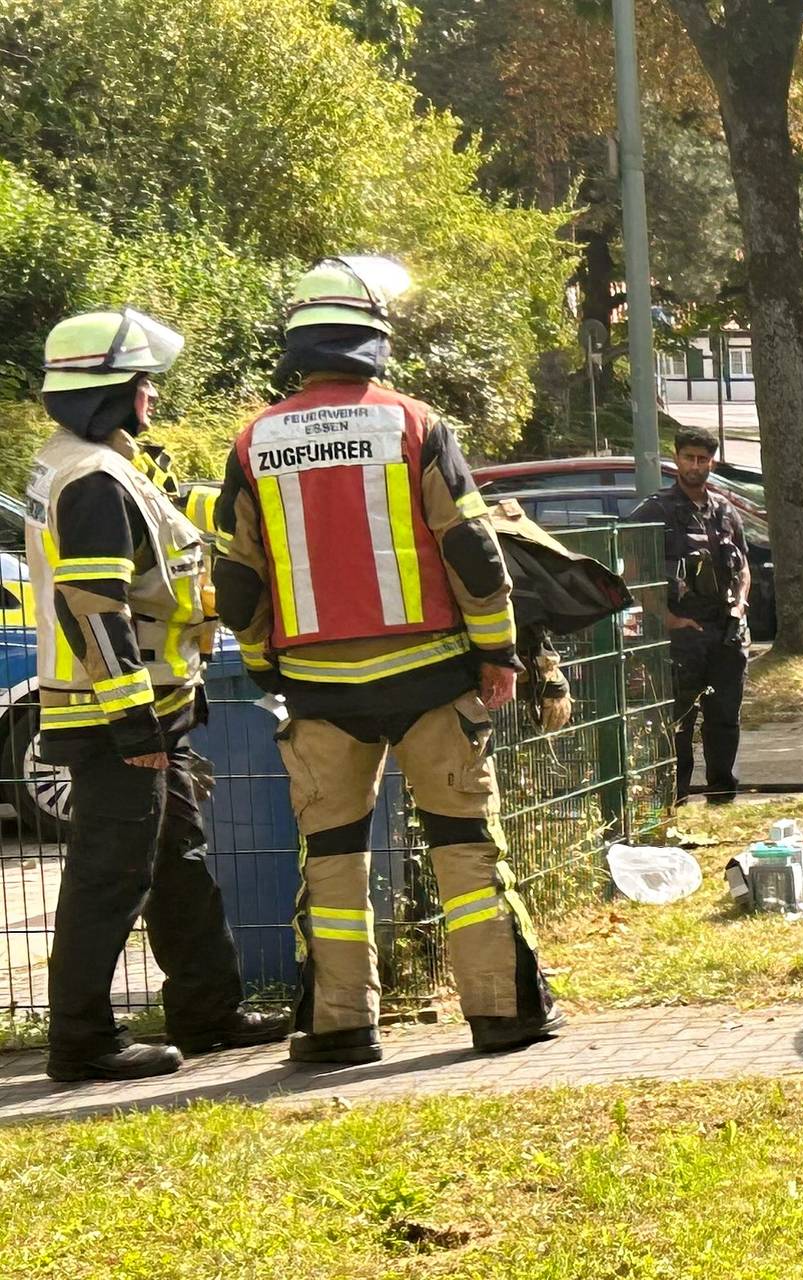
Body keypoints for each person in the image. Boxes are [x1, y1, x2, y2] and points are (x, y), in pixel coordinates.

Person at [216, 255, 561, 1065]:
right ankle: (502, 1013)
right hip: (430, 678)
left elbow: (239, 580)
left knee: (332, 859)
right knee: (464, 844)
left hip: (318, 690)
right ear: (374, 340)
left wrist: (265, 665)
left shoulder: (255, 441)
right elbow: (472, 551)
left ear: (299, 346)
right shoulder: (412, 423)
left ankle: (339, 1025)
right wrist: (497, 652)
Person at [32, 307, 288, 1082]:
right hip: (118, 718)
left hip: (150, 710)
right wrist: (133, 721)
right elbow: (93, 607)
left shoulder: (91, 462)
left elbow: (166, 540)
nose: (152, 395)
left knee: (178, 859)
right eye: (143, 382)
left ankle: (208, 1011)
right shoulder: (93, 479)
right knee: (111, 875)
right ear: (109, 391)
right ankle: (82, 1042)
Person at [630, 428, 751, 803]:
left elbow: (744, 567)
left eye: (703, 459)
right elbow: (631, 572)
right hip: (681, 633)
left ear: (712, 463)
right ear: (676, 458)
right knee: (679, 720)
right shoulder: (655, 511)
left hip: (726, 630)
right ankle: (676, 795)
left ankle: (722, 794)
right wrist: (665, 617)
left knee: (724, 717)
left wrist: (740, 605)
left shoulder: (725, 510)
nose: (695, 466)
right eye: (689, 458)